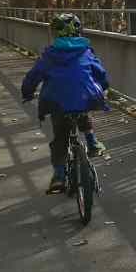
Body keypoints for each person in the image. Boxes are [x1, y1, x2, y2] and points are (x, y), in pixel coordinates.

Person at [21, 13, 109, 194]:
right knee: (82, 109)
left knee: (60, 136)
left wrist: (27, 93)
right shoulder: (86, 51)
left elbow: (33, 77)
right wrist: (104, 87)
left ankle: (59, 176)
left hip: (56, 101)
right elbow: (101, 73)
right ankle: (92, 142)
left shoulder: (50, 55)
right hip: (87, 97)